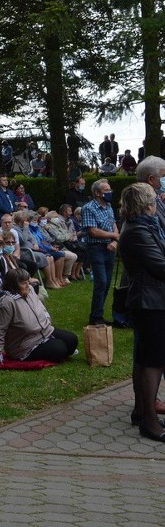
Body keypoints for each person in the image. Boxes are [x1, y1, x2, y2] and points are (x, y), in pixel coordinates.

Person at [118, 183, 165, 441]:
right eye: (154, 199)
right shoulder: (137, 230)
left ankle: (141, 411)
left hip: (152, 300)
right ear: (147, 204)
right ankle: (149, 421)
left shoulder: (145, 226)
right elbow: (160, 266)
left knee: (146, 359)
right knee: (153, 362)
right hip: (150, 302)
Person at [0, 268, 78, 363]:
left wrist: (46, 318)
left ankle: (54, 345)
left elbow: (41, 306)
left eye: (28, 282)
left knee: (72, 340)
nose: (27, 285)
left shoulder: (30, 290)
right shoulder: (6, 303)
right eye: (23, 283)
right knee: (60, 348)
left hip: (45, 331)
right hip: (24, 345)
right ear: (13, 285)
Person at [81, 179, 119, 325]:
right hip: (96, 248)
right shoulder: (88, 208)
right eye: (106, 191)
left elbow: (114, 226)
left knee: (107, 282)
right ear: (97, 193)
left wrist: (115, 241)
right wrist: (114, 236)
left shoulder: (109, 206)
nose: (109, 193)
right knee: (101, 282)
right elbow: (93, 231)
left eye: (110, 191)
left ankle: (99, 315)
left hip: (110, 248)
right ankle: (95, 317)